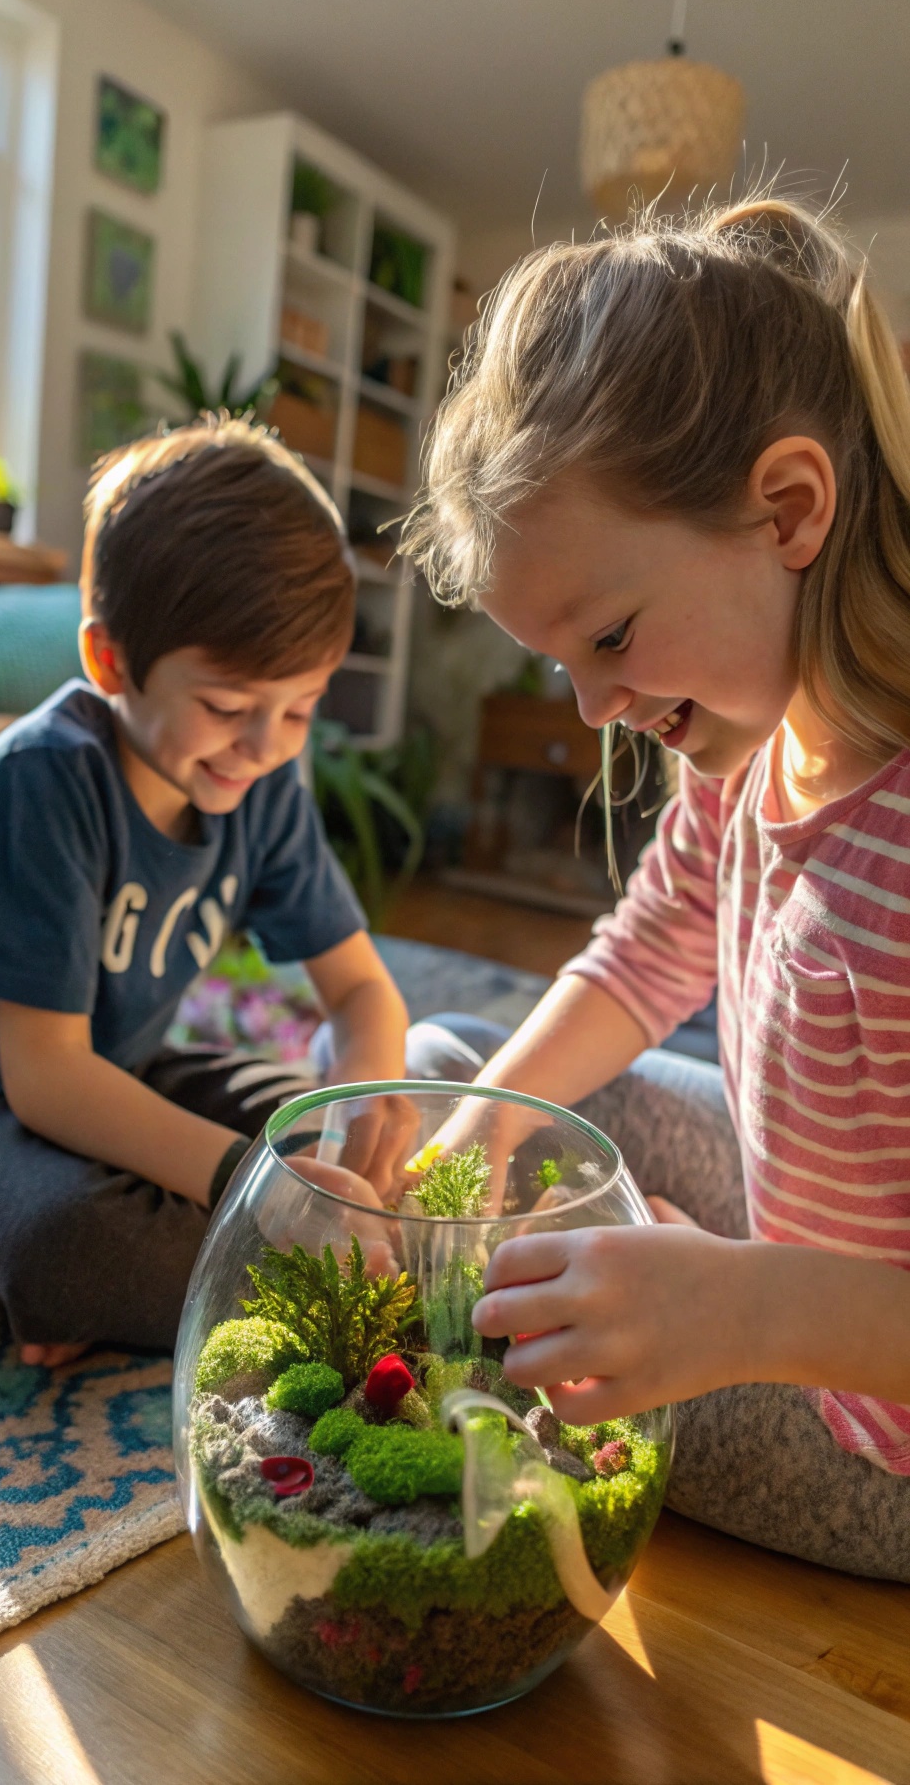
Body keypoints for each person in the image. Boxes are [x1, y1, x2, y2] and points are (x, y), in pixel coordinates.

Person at [398, 194, 910, 1581]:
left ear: (791, 510)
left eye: (611, 635)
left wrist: (740, 1313)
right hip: (805, 1244)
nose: (593, 705)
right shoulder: (751, 752)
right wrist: (492, 1130)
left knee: (550, 1346)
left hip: (877, 1438)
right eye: (558, 660)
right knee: (462, 1085)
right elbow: (646, 953)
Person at [0, 419, 417, 1364]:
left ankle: (228, 1277)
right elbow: (44, 1078)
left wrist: (354, 1122)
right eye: (226, 709)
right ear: (111, 663)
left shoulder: (259, 786)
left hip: (122, 1072)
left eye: (300, 709)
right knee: (67, 1242)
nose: (266, 746)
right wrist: (255, 1183)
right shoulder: (43, 781)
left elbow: (361, 990)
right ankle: (320, 1288)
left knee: (311, 1131)